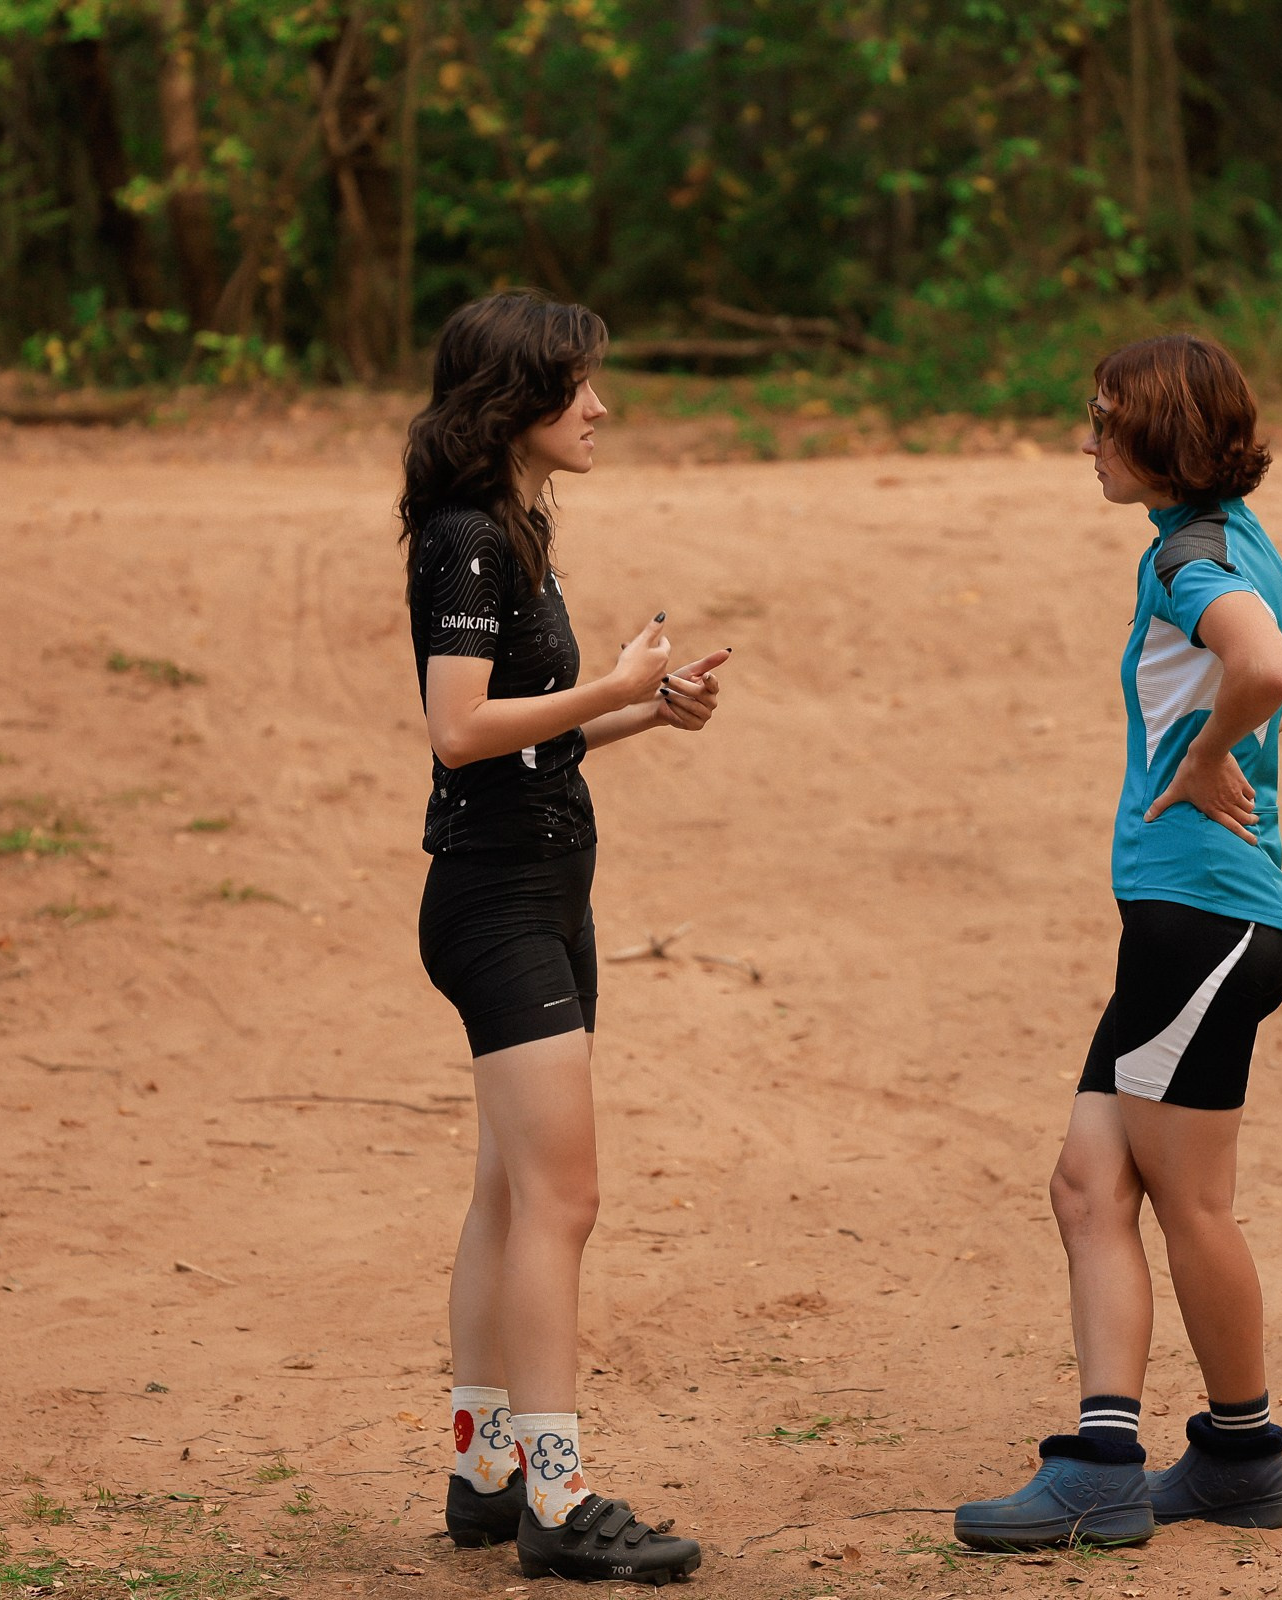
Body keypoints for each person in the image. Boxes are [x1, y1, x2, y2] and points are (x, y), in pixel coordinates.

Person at [954, 334, 1282, 1550]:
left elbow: (1271, 662)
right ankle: (1140, 1450)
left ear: (1157, 438)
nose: (1086, 442)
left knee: (1193, 1204)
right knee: (1086, 1183)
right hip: (1188, 925)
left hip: (1207, 922)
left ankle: (1228, 1453)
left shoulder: (1190, 557)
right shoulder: (1236, 541)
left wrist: (1218, 755)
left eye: (1103, 422)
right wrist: (1234, 749)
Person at [401, 290, 727, 1584]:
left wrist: (645, 714)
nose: (601, 407)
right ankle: (557, 1492)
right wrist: (613, 685)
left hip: (537, 876)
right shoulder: (469, 539)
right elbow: (460, 730)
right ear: (514, 402)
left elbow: (526, 738)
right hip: (500, 901)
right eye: (579, 386)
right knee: (563, 1198)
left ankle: (486, 1470)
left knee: (509, 1190)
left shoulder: (508, 531)